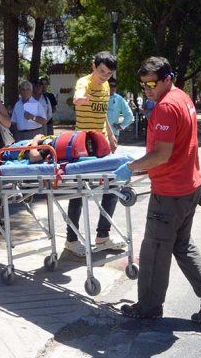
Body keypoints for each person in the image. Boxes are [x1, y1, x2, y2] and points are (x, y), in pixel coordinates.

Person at [114, 56, 201, 323]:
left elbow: (161, 155)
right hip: (188, 186)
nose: (147, 89)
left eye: (152, 83)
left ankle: (149, 308)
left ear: (167, 78)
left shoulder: (165, 107)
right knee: (182, 245)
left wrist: (132, 166)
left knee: (153, 249)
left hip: (170, 191)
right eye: (143, 85)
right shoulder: (182, 98)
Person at [65, 51, 123, 256]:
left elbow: (102, 112)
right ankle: (71, 240)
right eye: (101, 72)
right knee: (79, 193)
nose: (104, 76)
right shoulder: (84, 82)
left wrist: (110, 134)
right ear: (93, 66)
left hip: (103, 144)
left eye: (108, 73)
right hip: (84, 145)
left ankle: (102, 236)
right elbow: (77, 98)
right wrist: (81, 98)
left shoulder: (106, 85)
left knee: (112, 186)